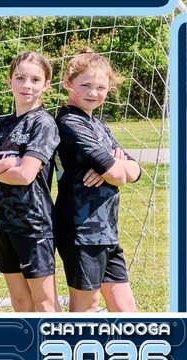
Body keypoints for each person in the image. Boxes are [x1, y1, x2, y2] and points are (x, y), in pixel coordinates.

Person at [0, 52, 60, 313]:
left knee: (44, 302)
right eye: (20, 78)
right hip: (5, 223)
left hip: (34, 225)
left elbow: (25, 175)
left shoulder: (43, 123)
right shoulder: (2, 125)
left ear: (46, 85)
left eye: (35, 79)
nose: (26, 85)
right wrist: (8, 163)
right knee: (20, 301)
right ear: (9, 81)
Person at [53, 49, 141, 312]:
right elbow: (117, 174)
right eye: (86, 85)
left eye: (101, 87)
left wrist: (115, 166)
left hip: (106, 230)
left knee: (125, 308)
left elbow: (134, 172)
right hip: (81, 230)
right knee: (86, 308)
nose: (93, 93)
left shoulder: (99, 125)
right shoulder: (70, 123)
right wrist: (114, 168)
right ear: (68, 83)